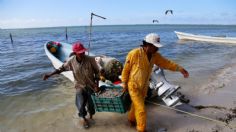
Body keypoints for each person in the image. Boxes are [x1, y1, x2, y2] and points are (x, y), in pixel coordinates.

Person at [121, 33, 189, 132]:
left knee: (136, 106)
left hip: (144, 86)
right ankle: (141, 129)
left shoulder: (155, 56)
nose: (157, 49)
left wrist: (180, 69)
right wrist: (124, 83)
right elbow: (125, 70)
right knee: (141, 110)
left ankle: (131, 120)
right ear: (147, 45)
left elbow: (167, 63)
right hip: (133, 86)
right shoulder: (134, 53)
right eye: (155, 47)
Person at [43, 41, 100, 129]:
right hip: (79, 86)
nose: (83, 53)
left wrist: (97, 85)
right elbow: (61, 69)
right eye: (80, 52)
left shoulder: (90, 59)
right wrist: (50, 75)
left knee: (91, 105)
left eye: (83, 52)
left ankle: (91, 116)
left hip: (91, 86)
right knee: (80, 104)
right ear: (75, 53)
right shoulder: (71, 61)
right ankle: (84, 118)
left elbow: (97, 73)